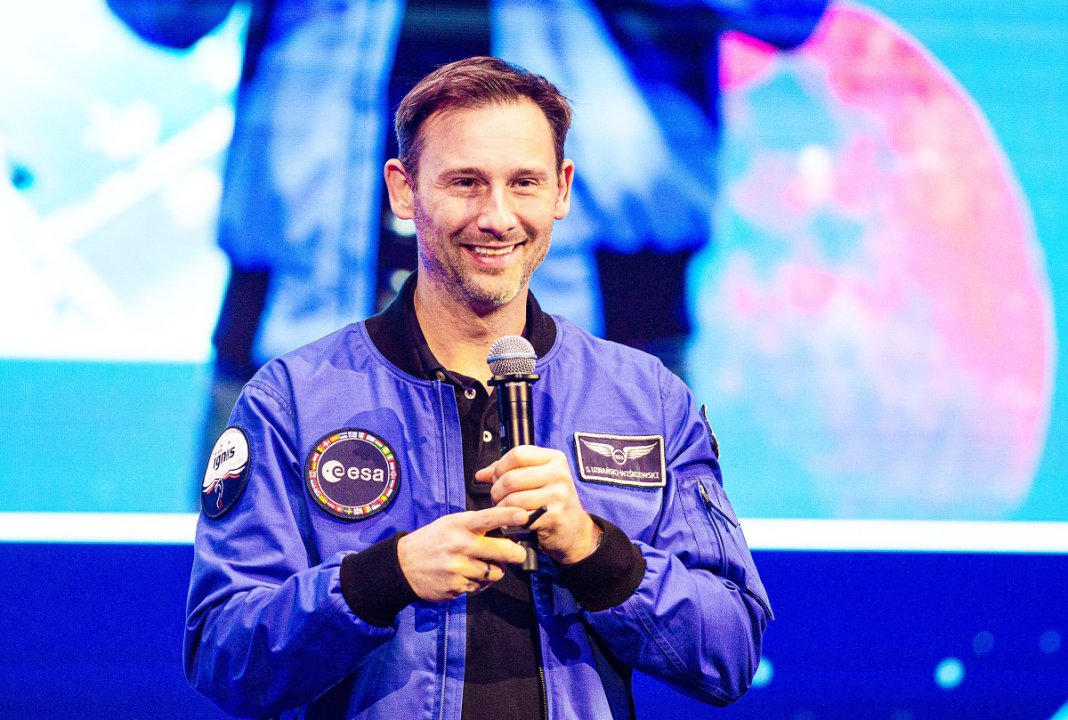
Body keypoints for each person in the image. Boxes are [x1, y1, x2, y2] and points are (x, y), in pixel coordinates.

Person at [186, 56, 771, 719]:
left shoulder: (647, 398)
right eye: (466, 182)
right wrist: (384, 578)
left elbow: (730, 653)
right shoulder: (293, 399)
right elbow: (223, 656)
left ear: (562, 190)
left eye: (524, 183)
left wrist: (595, 550)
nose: (497, 216)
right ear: (403, 190)